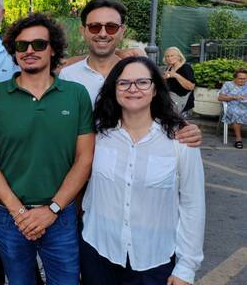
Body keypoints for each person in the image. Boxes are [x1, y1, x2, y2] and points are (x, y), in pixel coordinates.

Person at [0, 13, 95, 285]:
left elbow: (84, 159)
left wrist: (52, 209)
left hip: (60, 215)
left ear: (53, 49)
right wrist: (19, 212)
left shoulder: (76, 95)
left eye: (39, 44)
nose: (29, 51)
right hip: (10, 216)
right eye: (21, 46)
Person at [81, 56, 205, 285]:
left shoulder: (180, 139)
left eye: (142, 82)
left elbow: (192, 204)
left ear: (155, 89)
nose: (133, 89)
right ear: (114, 89)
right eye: (124, 83)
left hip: (154, 261)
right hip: (98, 252)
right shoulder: (97, 134)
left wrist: (187, 266)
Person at [59, 0, 202, 146]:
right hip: (79, 163)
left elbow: (162, 111)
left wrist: (186, 129)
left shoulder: (138, 76)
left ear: (122, 31)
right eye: (94, 27)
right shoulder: (68, 75)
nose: (102, 33)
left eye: (111, 27)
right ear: (83, 31)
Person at [218, 68, 247, 149]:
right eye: (240, 78)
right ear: (235, 77)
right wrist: (234, 97)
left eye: (245, 79)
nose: (243, 81)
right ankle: (238, 139)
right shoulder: (228, 85)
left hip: (245, 106)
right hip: (232, 106)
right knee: (237, 113)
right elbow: (220, 97)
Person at [163, 46, 196, 116]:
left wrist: (176, 75)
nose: (169, 58)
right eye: (167, 56)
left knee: (181, 126)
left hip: (183, 106)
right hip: (171, 104)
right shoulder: (169, 68)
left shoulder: (186, 67)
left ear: (179, 57)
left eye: (172, 55)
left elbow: (191, 86)